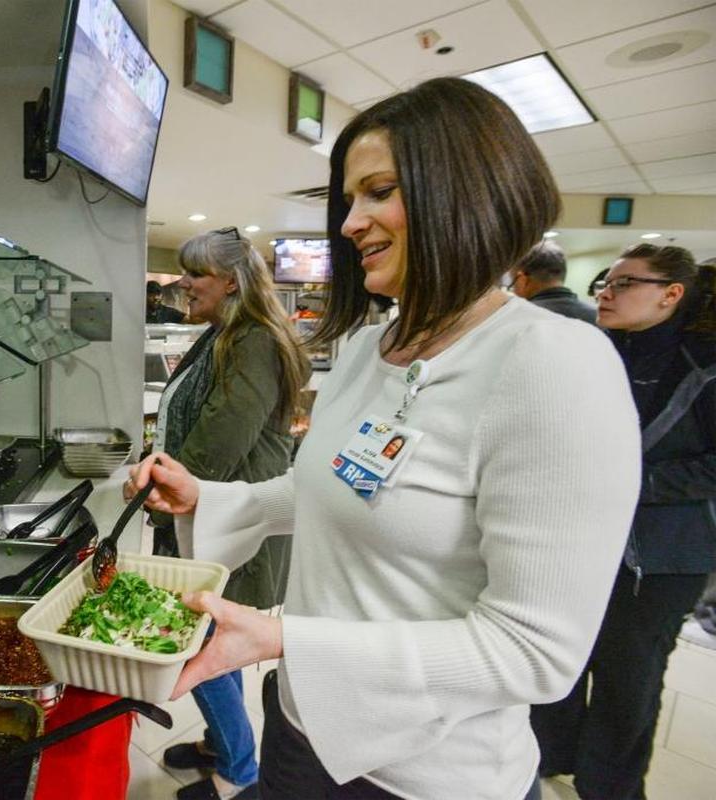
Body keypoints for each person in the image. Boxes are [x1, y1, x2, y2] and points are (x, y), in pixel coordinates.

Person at [125, 77, 641, 800]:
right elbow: (329, 488)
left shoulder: (553, 365)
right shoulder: (372, 348)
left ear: (467, 192)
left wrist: (287, 637)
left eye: (379, 191)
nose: (348, 222)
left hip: (424, 773)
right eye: (348, 199)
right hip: (303, 723)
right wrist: (203, 495)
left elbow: (537, 650)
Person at [530, 243, 716, 799]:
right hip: (581, 541)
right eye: (603, 285)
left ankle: (610, 784)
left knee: (629, 675)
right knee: (562, 654)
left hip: (662, 555)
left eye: (623, 284)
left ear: (670, 294)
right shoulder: (594, 350)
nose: (605, 294)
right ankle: (553, 753)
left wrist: (632, 485)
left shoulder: (702, 367)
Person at [150, 227, 310, 800]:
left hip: (231, 522)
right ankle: (225, 745)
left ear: (232, 282)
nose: (184, 284)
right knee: (218, 634)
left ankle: (239, 770)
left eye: (196, 275)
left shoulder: (255, 341)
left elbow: (221, 441)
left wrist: (163, 482)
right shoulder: (222, 334)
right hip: (206, 514)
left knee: (201, 637)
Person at [506, 241, 596, 323]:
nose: (514, 290)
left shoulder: (515, 318)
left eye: (513, 284)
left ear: (523, 280)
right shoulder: (598, 317)